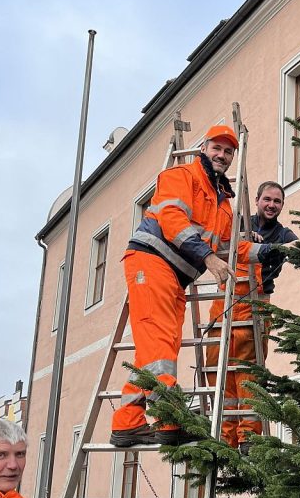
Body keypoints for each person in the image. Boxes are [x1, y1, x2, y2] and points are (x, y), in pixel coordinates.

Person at [110, 124, 276, 449]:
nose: (223, 155)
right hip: (151, 263)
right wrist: (208, 258)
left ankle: (127, 425)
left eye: (229, 151)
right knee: (159, 349)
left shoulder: (223, 203)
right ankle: (170, 423)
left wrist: (274, 249)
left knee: (158, 353)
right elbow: (173, 220)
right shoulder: (181, 176)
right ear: (204, 147)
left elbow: (232, 247)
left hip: (175, 277)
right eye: (218, 148)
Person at [206, 180, 297, 452]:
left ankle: (247, 436)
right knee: (217, 367)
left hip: (257, 302)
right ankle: (223, 436)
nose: (271, 205)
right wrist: (245, 240)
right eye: (267, 199)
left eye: (277, 201)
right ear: (257, 200)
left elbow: (298, 247)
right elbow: (220, 238)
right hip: (225, 299)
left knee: (248, 371)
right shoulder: (239, 223)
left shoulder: (283, 234)